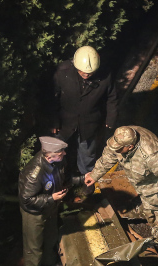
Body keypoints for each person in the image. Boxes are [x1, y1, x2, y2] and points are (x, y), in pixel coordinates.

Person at [86, 126, 158, 261]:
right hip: (144, 188)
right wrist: (94, 175)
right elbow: (108, 156)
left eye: (119, 149)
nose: (116, 150)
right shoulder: (122, 137)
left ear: (130, 147)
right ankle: (157, 237)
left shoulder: (152, 157)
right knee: (151, 215)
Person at [19, 136, 93, 266]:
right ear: (49, 156)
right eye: (61, 152)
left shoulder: (57, 162)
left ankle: (49, 262)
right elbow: (27, 200)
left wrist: (82, 178)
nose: (64, 154)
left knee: (51, 236)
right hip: (34, 213)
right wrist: (51, 198)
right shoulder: (34, 174)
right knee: (33, 247)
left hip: (50, 207)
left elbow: (64, 179)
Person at [52, 46, 118, 176]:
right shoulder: (62, 72)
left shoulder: (106, 76)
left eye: (90, 73)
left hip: (89, 123)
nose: (86, 75)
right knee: (56, 149)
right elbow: (53, 97)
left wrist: (111, 117)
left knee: (87, 153)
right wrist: (53, 120)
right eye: (83, 72)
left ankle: (87, 177)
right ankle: (56, 175)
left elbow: (112, 97)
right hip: (64, 122)